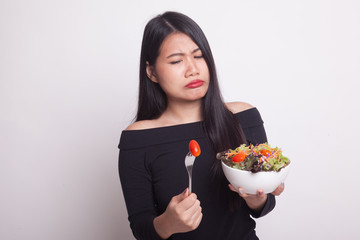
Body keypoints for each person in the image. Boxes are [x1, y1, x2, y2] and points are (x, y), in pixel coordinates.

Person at [118, 11, 285, 240]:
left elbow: (264, 205)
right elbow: (141, 227)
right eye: (176, 61)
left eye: (199, 56)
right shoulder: (138, 139)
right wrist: (168, 223)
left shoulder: (243, 116)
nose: (192, 69)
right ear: (152, 72)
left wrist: (259, 199)